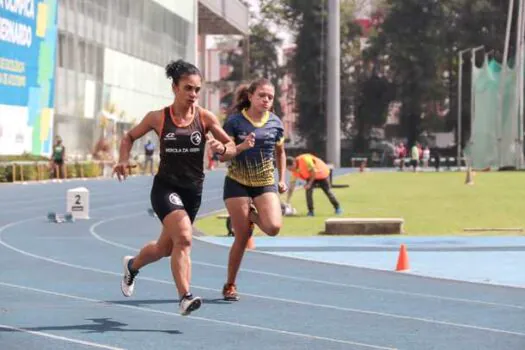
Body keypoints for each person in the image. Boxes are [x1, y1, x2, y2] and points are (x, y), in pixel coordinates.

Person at [113, 59, 236, 316]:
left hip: (193, 191)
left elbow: (231, 148)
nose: (193, 94)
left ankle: (132, 266)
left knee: (164, 249)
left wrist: (222, 149)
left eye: (197, 90)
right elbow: (128, 137)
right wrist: (123, 160)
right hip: (165, 188)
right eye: (188, 88)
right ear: (174, 88)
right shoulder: (158, 118)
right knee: (185, 238)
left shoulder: (205, 118)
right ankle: (185, 297)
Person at [220, 78, 288, 301]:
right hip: (237, 182)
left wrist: (282, 178)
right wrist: (241, 147)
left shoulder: (276, 123)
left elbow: (280, 152)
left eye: (270, 96)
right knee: (242, 236)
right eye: (262, 95)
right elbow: (223, 155)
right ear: (250, 96)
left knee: (274, 227)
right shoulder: (234, 123)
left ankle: (250, 213)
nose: (266, 100)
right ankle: (230, 284)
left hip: (264, 182)